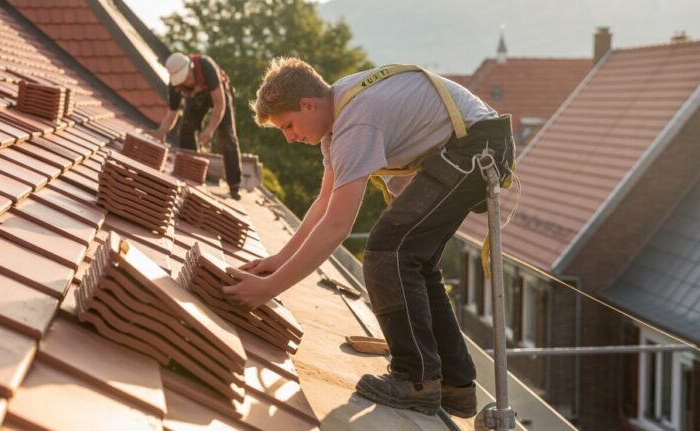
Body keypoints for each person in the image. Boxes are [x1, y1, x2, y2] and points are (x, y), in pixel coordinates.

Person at [223, 58, 515, 417]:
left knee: (386, 251)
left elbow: (337, 226)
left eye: (288, 125)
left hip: (477, 148)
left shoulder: (355, 121)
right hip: (473, 145)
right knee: (413, 260)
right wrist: (276, 261)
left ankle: (416, 380)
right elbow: (324, 204)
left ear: (307, 105)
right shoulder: (337, 118)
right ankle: (456, 385)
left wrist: (270, 289)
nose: (289, 137)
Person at [154, 52, 243, 200]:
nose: (187, 83)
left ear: (191, 67)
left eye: (187, 78)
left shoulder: (207, 67)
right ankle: (191, 173)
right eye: (183, 81)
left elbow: (219, 105)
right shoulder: (175, 85)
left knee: (226, 137)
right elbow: (172, 113)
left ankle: (234, 187)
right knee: (186, 128)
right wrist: (160, 132)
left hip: (218, 96)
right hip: (196, 98)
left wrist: (209, 130)